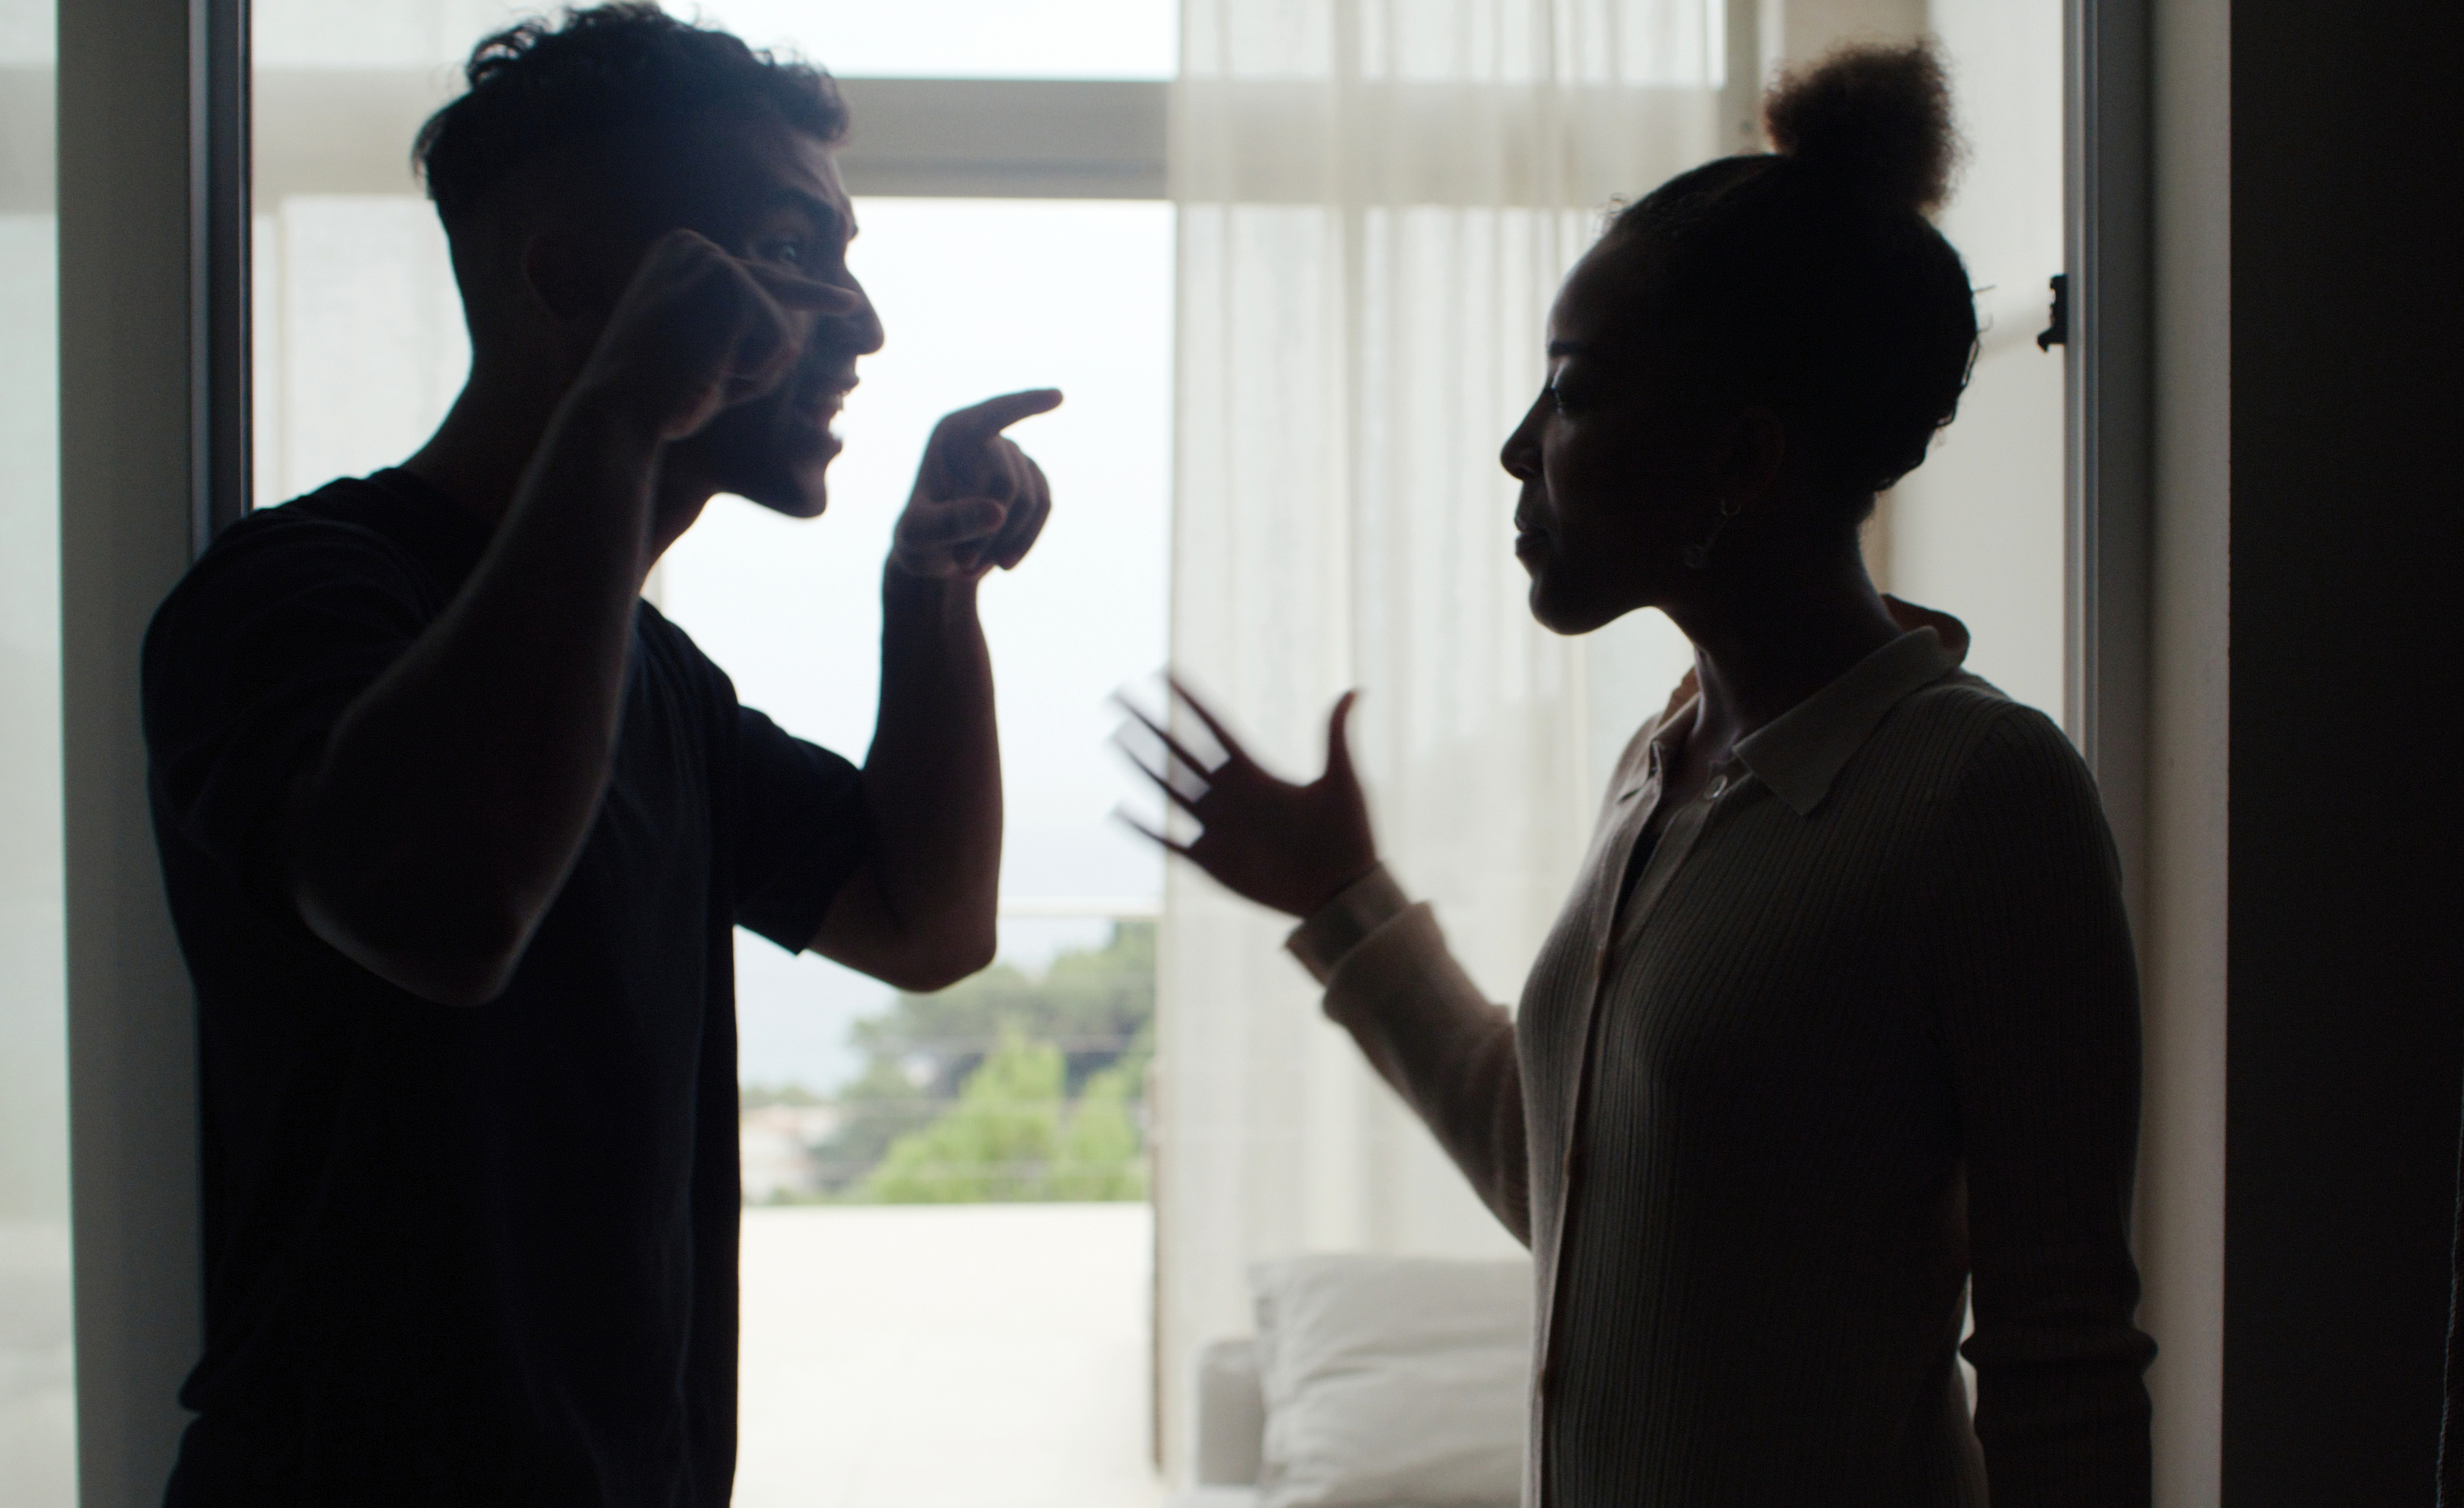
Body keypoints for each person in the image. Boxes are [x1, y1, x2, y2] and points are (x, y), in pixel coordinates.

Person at [1126, 42, 2154, 1508]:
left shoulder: (1978, 797)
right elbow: (1571, 1187)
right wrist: (1341, 901)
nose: (1514, 451)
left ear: (1739, 456)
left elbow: (2064, 1367)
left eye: (1573, 397)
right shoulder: (1666, 763)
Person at [141, 7, 1057, 1502]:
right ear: (570, 282)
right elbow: (444, 912)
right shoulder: (298, 596)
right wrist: (624, 410)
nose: (860, 321)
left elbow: (925, 923)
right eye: (787, 249)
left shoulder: (659, 680)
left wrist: (929, 586)